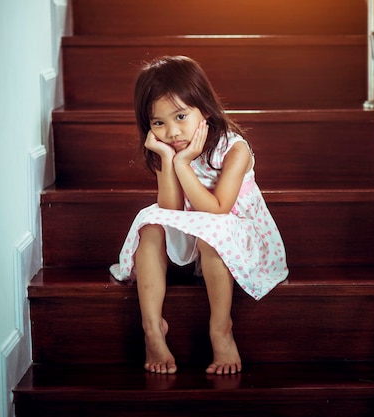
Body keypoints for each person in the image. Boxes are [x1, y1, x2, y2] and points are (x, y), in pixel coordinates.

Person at [109, 55, 288, 375]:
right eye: (158, 122)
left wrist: (181, 164)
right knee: (151, 225)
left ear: (204, 109)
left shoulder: (235, 149)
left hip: (236, 238)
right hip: (197, 238)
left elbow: (218, 210)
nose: (172, 131)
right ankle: (152, 330)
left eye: (180, 116)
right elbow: (171, 210)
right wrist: (167, 158)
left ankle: (221, 330)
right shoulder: (170, 148)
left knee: (211, 235)